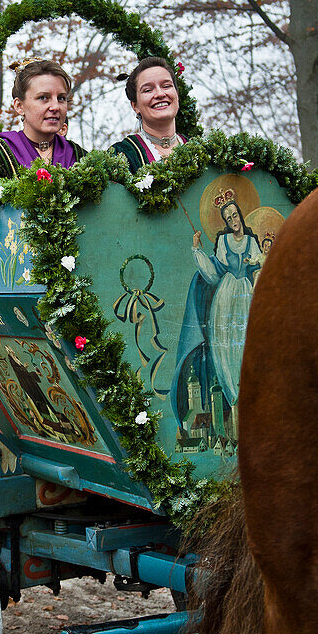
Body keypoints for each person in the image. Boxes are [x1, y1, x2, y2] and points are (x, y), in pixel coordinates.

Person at [171, 200, 262, 429]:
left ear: (241, 215)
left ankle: (252, 402)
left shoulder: (252, 242)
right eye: (228, 218)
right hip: (225, 299)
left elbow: (260, 268)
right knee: (225, 347)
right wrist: (197, 250)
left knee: (248, 346)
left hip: (246, 297)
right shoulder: (223, 241)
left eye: (235, 215)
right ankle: (235, 399)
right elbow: (214, 273)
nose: (233, 220)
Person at [0, 59, 85, 192]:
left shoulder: (79, 156)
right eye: (43, 97)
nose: (55, 107)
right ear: (19, 106)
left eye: (61, 98)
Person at [109, 57, 186, 172]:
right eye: (148, 90)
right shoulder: (121, 156)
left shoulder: (201, 150)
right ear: (135, 106)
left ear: (177, 95)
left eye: (166, 86)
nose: (160, 94)